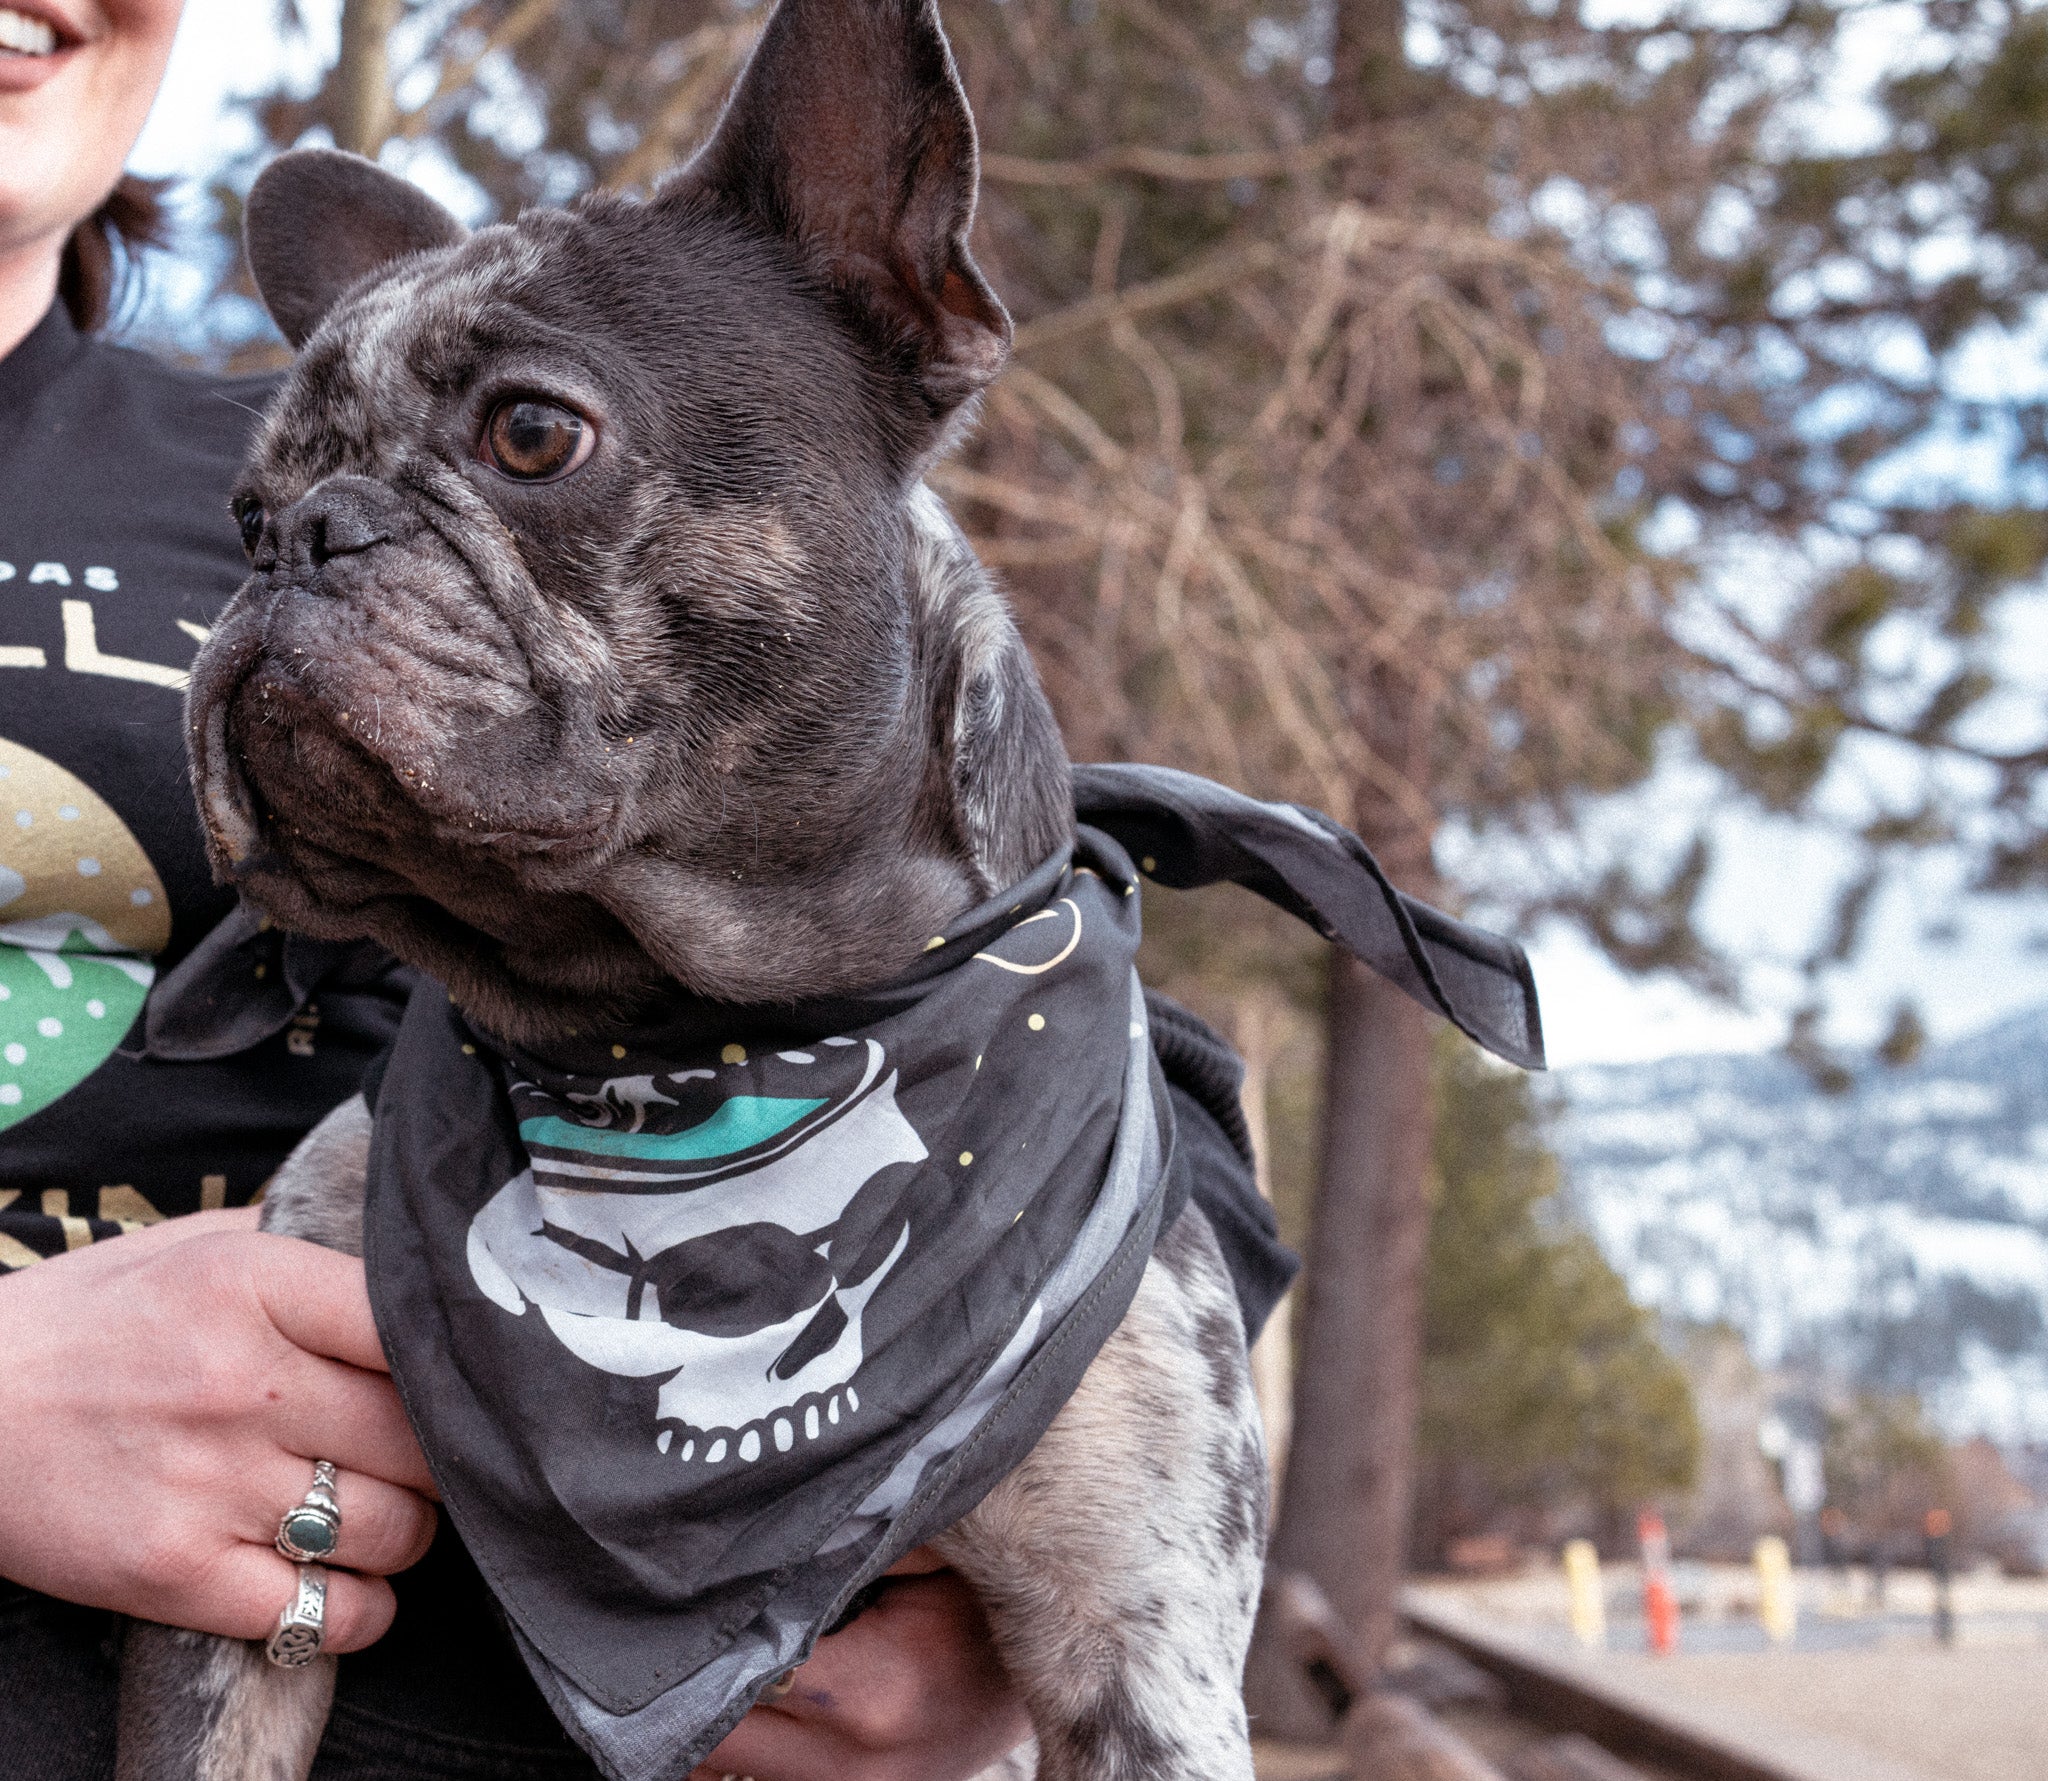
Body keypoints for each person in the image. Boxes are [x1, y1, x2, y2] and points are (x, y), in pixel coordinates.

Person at [0, 5, 1294, 1779]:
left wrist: (1023, 1404)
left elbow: (1038, 981)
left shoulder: (309, 420)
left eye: (525, 444)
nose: (303, 552)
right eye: (267, 538)